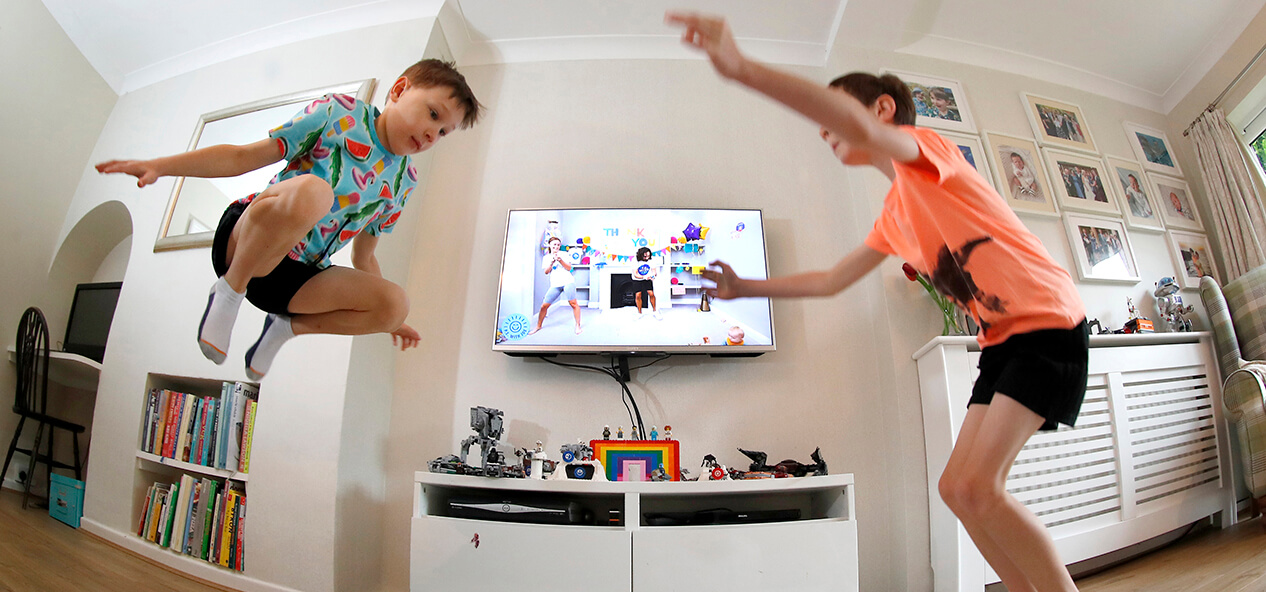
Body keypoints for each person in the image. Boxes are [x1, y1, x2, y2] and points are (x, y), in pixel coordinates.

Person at [666, 11, 1087, 592]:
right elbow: (833, 280)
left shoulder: (925, 149)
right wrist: (746, 288)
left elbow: (854, 127)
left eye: (831, 111)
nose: (822, 126)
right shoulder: (895, 213)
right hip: (1003, 342)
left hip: (1047, 324)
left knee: (980, 487)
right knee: (957, 489)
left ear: (883, 109)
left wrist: (742, 70)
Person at [96, 60, 482, 379]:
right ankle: (229, 290)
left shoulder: (404, 181)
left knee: (397, 302)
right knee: (316, 192)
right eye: (433, 114)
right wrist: (160, 166)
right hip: (245, 242)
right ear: (398, 90)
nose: (432, 133)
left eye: (443, 132)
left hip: (294, 280)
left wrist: (389, 319)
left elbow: (364, 258)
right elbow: (242, 157)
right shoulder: (339, 113)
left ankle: (284, 328)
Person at [530, 237, 583, 335]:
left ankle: (578, 325)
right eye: (554, 244)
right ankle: (538, 326)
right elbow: (546, 272)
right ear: (550, 245)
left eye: (558, 245)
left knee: (573, 303)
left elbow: (569, 268)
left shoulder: (565, 254)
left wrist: (560, 260)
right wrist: (552, 262)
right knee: (544, 306)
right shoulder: (546, 257)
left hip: (568, 281)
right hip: (555, 284)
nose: (556, 246)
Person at [632, 246, 661, 320]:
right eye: (645, 256)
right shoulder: (635, 260)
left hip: (647, 278)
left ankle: (655, 311)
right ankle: (639, 312)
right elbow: (635, 274)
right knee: (638, 295)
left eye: (648, 255)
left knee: (651, 293)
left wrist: (653, 275)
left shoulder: (651, 260)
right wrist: (643, 277)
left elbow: (654, 270)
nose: (647, 257)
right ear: (641, 255)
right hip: (637, 279)